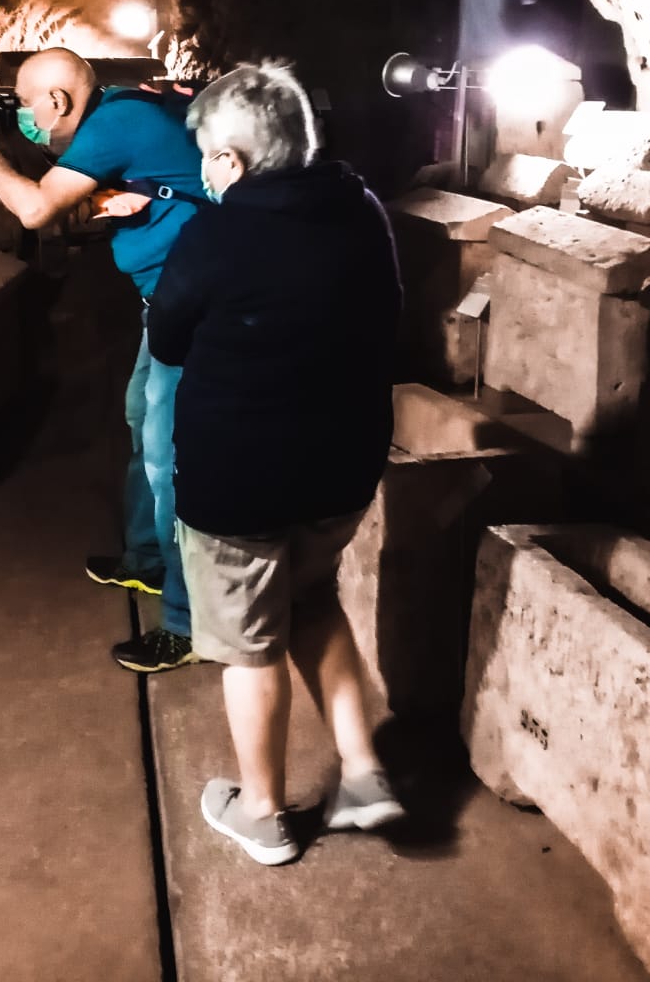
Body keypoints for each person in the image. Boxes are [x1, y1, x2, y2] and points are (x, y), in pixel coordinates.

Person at [146, 60, 403, 865]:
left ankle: (260, 813)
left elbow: (167, 340)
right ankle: (363, 773)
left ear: (230, 161)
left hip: (239, 483)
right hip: (340, 468)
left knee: (251, 644)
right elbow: (390, 313)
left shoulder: (216, 233)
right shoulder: (361, 211)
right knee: (315, 599)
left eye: (206, 158)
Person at [0, 47, 205, 673]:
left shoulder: (114, 123)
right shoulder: (124, 110)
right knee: (140, 418)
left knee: (170, 450)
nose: (24, 118)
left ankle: (190, 622)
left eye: (26, 105)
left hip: (199, 308)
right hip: (173, 300)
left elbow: (36, 209)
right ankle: (146, 561)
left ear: (59, 102)